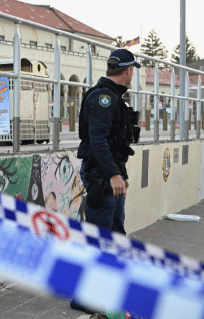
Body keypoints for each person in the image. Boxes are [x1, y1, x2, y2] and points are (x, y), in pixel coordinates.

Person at [71, 49, 142, 316]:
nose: (132, 73)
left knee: (114, 237)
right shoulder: (103, 98)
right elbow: (98, 140)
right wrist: (113, 175)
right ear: (127, 71)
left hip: (112, 176)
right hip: (102, 178)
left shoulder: (112, 97)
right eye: (132, 69)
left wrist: (120, 174)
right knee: (100, 240)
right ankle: (84, 296)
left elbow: (111, 143)